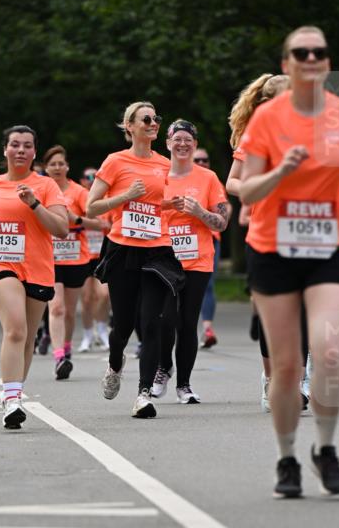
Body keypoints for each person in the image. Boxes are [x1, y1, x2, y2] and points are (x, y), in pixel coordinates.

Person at [240, 26, 339, 497]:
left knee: (329, 352)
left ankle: (326, 448)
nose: (311, 57)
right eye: (301, 52)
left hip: (329, 246)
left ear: (327, 63)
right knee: (287, 366)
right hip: (273, 247)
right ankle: (287, 457)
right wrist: (281, 171)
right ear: (288, 62)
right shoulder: (267, 119)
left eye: (319, 51)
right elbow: (248, 190)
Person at [86, 101, 185, 419]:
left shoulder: (163, 162)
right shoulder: (115, 162)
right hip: (123, 248)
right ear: (129, 126)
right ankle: (115, 363)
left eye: (157, 117)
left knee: (151, 322)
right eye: (146, 119)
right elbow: (92, 207)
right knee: (124, 325)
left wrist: (172, 204)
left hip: (157, 248)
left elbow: (155, 204)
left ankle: (143, 394)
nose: (153, 122)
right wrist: (125, 197)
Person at [0, 125, 69, 429]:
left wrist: (34, 204)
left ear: (34, 152)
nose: (21, 150)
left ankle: (15, 392)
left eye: (27, 145)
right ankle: (11, 400)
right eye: (15, 144)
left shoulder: (47, 186)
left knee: (26, 337)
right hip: (0, 264)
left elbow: (62, 229)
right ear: (5, 150)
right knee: (14, 328)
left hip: (37, 267)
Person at [226, 72, 304, 414]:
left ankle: (295, 383)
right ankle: (271, 380)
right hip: (263, 232)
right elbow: (232, 183)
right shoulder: (254, 138)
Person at [151, 120, 230, 403]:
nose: (182, 144)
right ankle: (163, 368)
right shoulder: (157, 175)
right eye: (177, 139)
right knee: (165, 318)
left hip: (198, 260)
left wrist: (199, 212)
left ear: (195, 145)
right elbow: (143, 210)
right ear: (168, 143)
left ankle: (184, 385)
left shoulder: (207, 178)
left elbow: (221, 222)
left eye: (188, 139)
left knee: (187, 322)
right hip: (163, 259)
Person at [41, 146, 108, 379]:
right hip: (48, 259)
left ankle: (66, 348)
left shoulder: (79, 192)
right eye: (53, 164)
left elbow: (101, 224)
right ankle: (59, 356)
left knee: (69, 311)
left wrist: (75, 220)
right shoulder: (38, 192)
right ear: (45, 168)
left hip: (75, 258)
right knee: (56, 307)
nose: (57, 167)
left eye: (61, 163)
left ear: (67, 167)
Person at [77, 166, 112, 352]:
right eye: (87, 176)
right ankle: (87, 334)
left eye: (95, 176)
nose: (91, 179)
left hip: (102, 255)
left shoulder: (106, 200)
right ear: (82, 181)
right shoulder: (78, 198)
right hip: (84, 255)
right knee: (87, 298)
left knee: (104, 295)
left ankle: (102, 329)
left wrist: (107, 225)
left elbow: (111, 224)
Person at [191, 148, 221, 349]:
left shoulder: (212, 179)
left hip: (210, 239)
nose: (202, 163)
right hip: (181, 238)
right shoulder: (175, 176)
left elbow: (225, 208)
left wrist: (202, 212)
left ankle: (208, 328)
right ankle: (183, 328)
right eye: (197, 160)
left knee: (208, 284)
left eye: (205, 159)